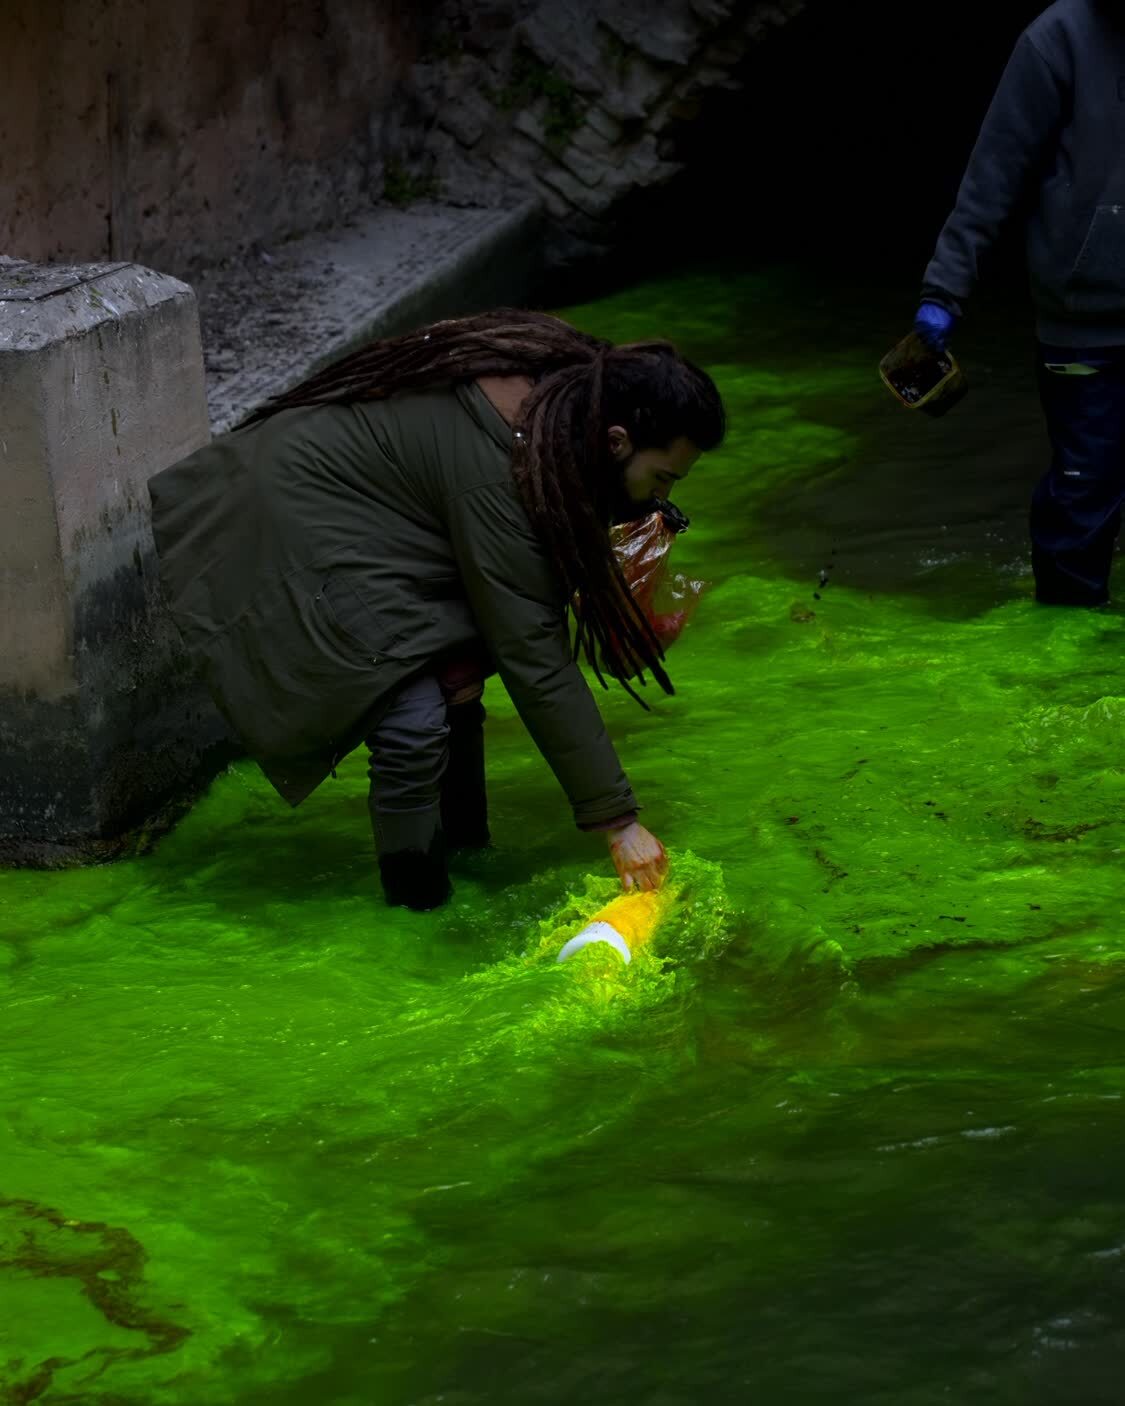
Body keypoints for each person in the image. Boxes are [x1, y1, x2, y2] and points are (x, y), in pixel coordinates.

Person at [147, 309, 725, 911]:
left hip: (373, 514)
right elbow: (534, 655)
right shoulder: (503, 468)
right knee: (412, 718)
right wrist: (618, 823)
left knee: (458, 673)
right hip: (284, 514)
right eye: (660, 479)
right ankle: (418, 909)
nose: (664, 499)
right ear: (616, 440)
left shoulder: (573, 399)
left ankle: (469, 855)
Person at [913, 0, 1125, 606]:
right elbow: (993, 174)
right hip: (1085, 324)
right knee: (1082, 500)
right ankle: (1059, 662)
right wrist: (944, 291)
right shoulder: (1057, 38)